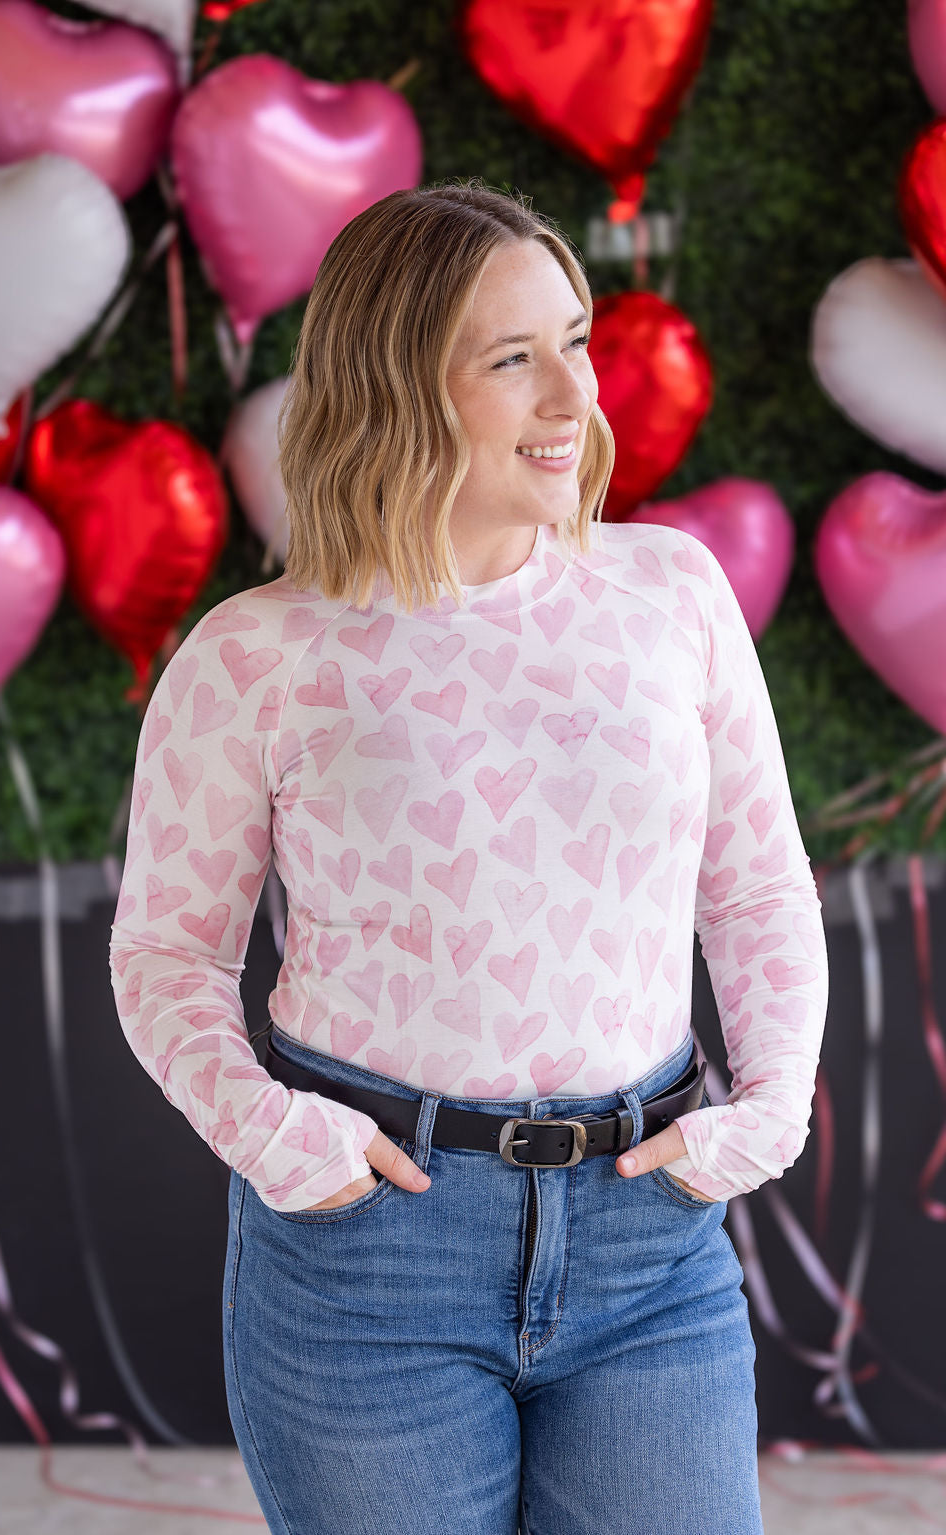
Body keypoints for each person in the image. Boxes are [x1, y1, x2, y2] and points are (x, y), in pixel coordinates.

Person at [109, 178, 828, 1535]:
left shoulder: (670, 595)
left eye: (576, 340)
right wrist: (271, 1137)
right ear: (397, 385)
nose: (575, 398)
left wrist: (774, 1105)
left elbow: (756, 887)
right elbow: (165, 956)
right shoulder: (256, 657)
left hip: (649, 1242)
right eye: (515, 360)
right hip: (368, 1258)